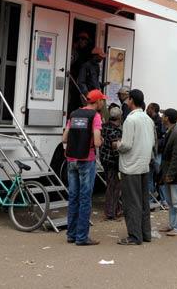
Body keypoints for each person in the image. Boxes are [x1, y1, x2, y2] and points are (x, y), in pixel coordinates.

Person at [63, 89, 105, 246]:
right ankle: (81, 237)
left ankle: (71, 234)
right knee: (85, 198)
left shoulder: (74, 114)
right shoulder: (95, 116)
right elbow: (97, 141)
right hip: (86, 160)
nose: (103, 103)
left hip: (71, 159)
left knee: (73, 197)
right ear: (97, 101)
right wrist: (99, 138)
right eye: (102, 100)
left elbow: (64, 136)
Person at [114, 89, 156, 245]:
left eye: (127, 99)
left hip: (130, 167)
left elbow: (126, 145)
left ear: (131, 100)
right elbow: (151, 143)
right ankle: (145, 234)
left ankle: (134, 236)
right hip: (144, 165)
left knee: (131, 203)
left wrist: (116, 144)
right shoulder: (148, 120)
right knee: (144, 203)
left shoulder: (130, 120)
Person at [158, 108, 177, 236]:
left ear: (167, 118)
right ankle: (172, 224)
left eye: (163, 116)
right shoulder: (170, 131)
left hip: (174, 175)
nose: (161, 117)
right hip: (168, 174)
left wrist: (170, 174)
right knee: (171, 202)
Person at [101, 107, 123, 221]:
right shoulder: (116, 131)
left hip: (104, 159)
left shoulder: (104, 126)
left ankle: (117, 209)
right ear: (119, 117)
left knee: (110, 185)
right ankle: (111, 213)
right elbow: (115, 147)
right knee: (114, 187)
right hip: (113, 162)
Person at [147, 102, 168, 209]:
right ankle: (151, 200)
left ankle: (164, 200)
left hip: (157, 153)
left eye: (149, 108)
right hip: (151, 153)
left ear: (153, 109)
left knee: (160, 177)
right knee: (150, 177)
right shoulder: (148, 120)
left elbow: (162, 139)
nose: (147, 109)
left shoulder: (159, 122)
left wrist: (155, 145)